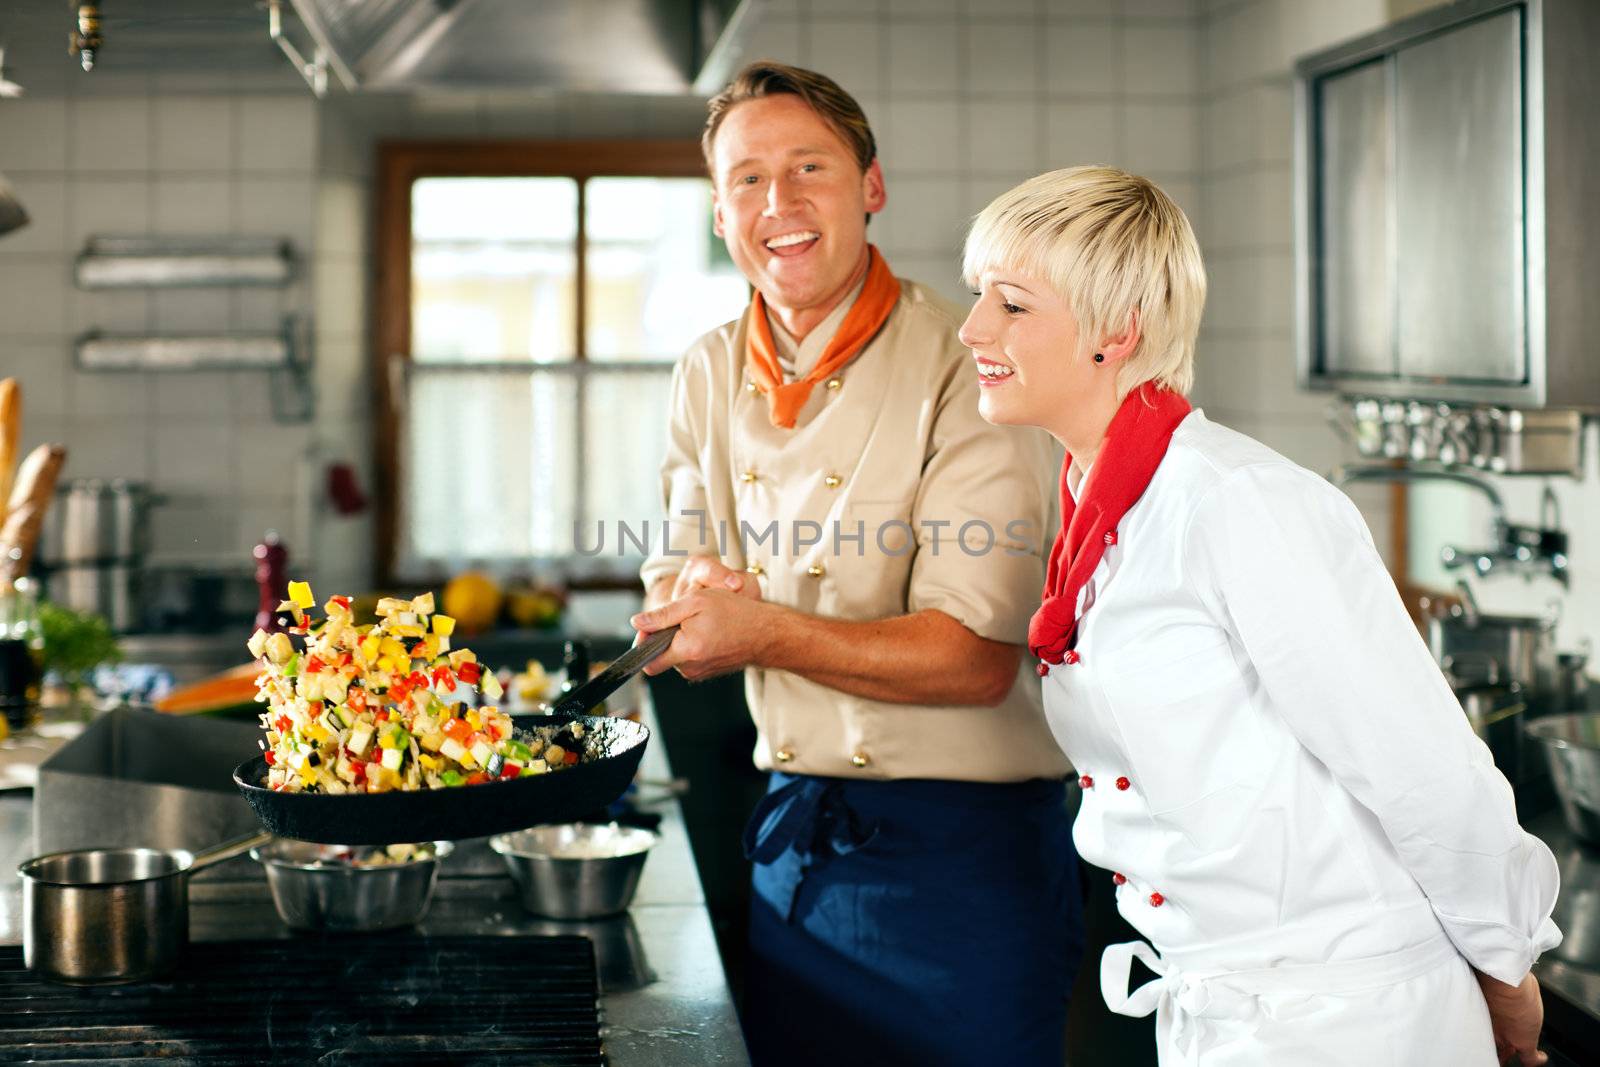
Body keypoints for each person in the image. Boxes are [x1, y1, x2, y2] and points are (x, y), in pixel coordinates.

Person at [958, 164, 1561, 1066]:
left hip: (1350, 1016)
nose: (972, 330)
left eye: (1011, 304)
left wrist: (1507, 971)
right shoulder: (1107, 505)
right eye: (980, 299)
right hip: (1231, 1004)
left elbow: (1419, 761)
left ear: (1117, 331)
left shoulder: (1237, 501)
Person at [630, 62, 1084, 1066]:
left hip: (960, 862)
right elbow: (675, 571)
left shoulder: (966, 360)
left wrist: (762, 632)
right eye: (747, 178)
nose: (779, 203)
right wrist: (687, 600)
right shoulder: (705, 369)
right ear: (717, 213)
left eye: (809, 168)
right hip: (794, 850)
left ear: (870, 186)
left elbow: (971, 659)